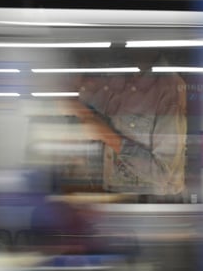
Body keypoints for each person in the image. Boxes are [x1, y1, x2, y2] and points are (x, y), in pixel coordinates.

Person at [66, 51, 187, 200]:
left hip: (153, 203)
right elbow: (87, 109)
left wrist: (109, 137)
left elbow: (162, 173)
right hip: (116, 196)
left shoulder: (169, 86)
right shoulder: (118, 76)